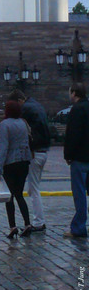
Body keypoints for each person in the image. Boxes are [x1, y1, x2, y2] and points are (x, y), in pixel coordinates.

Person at [8, 88, 50, 231]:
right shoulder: (36, 104)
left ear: (19, 101)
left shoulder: (25, 109)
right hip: (44, 150)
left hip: (35, 152)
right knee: (34, 187)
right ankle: (39, 220)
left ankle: (39, 222)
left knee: (33, 189)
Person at [0, 100, 33, 239]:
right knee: (19, 194)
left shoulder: (5, 124)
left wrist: (0, 166)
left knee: (9, 196)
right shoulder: (23, 123)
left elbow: (4, 146)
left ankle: (12, 226)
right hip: (24, 160)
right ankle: (27, 223)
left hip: (10, 162)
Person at [63, 82, 89, 239]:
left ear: (74, 93)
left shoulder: (77, 110)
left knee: (79, 194)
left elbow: (73, 135)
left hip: (79, 158)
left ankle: (79, 227)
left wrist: (68, 155)